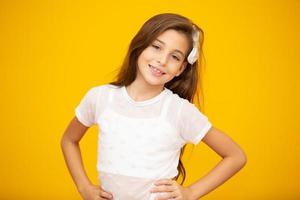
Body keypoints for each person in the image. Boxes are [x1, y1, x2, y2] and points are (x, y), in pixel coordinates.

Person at [61, 13, 247, 200]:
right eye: (157, 47)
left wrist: (191, 192)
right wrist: (84, 187)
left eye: (175, 57)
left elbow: (235, 156)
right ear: (140, 46)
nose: (163, 60)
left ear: (181, 69)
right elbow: (69, 140)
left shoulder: (179, 111)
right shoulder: (100, 98)